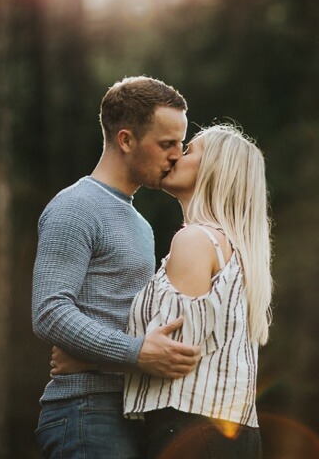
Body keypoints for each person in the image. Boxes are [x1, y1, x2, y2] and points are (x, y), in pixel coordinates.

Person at [56, 124, 272, 458]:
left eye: (188, 152)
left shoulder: (195, 241)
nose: (175, 156)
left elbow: (171, 354)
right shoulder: (233, 250)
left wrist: (86, 360)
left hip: (194, 433)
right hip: (227, 434)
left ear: (214, 170)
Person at [32, 76, 204, 459]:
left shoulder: (139, 223)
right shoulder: (75, 207)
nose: (177, 155)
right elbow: (49, 312)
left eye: (181, 143)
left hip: (128, 409)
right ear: (126, 140)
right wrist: (136, 352)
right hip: (84, 411)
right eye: (167, 144)